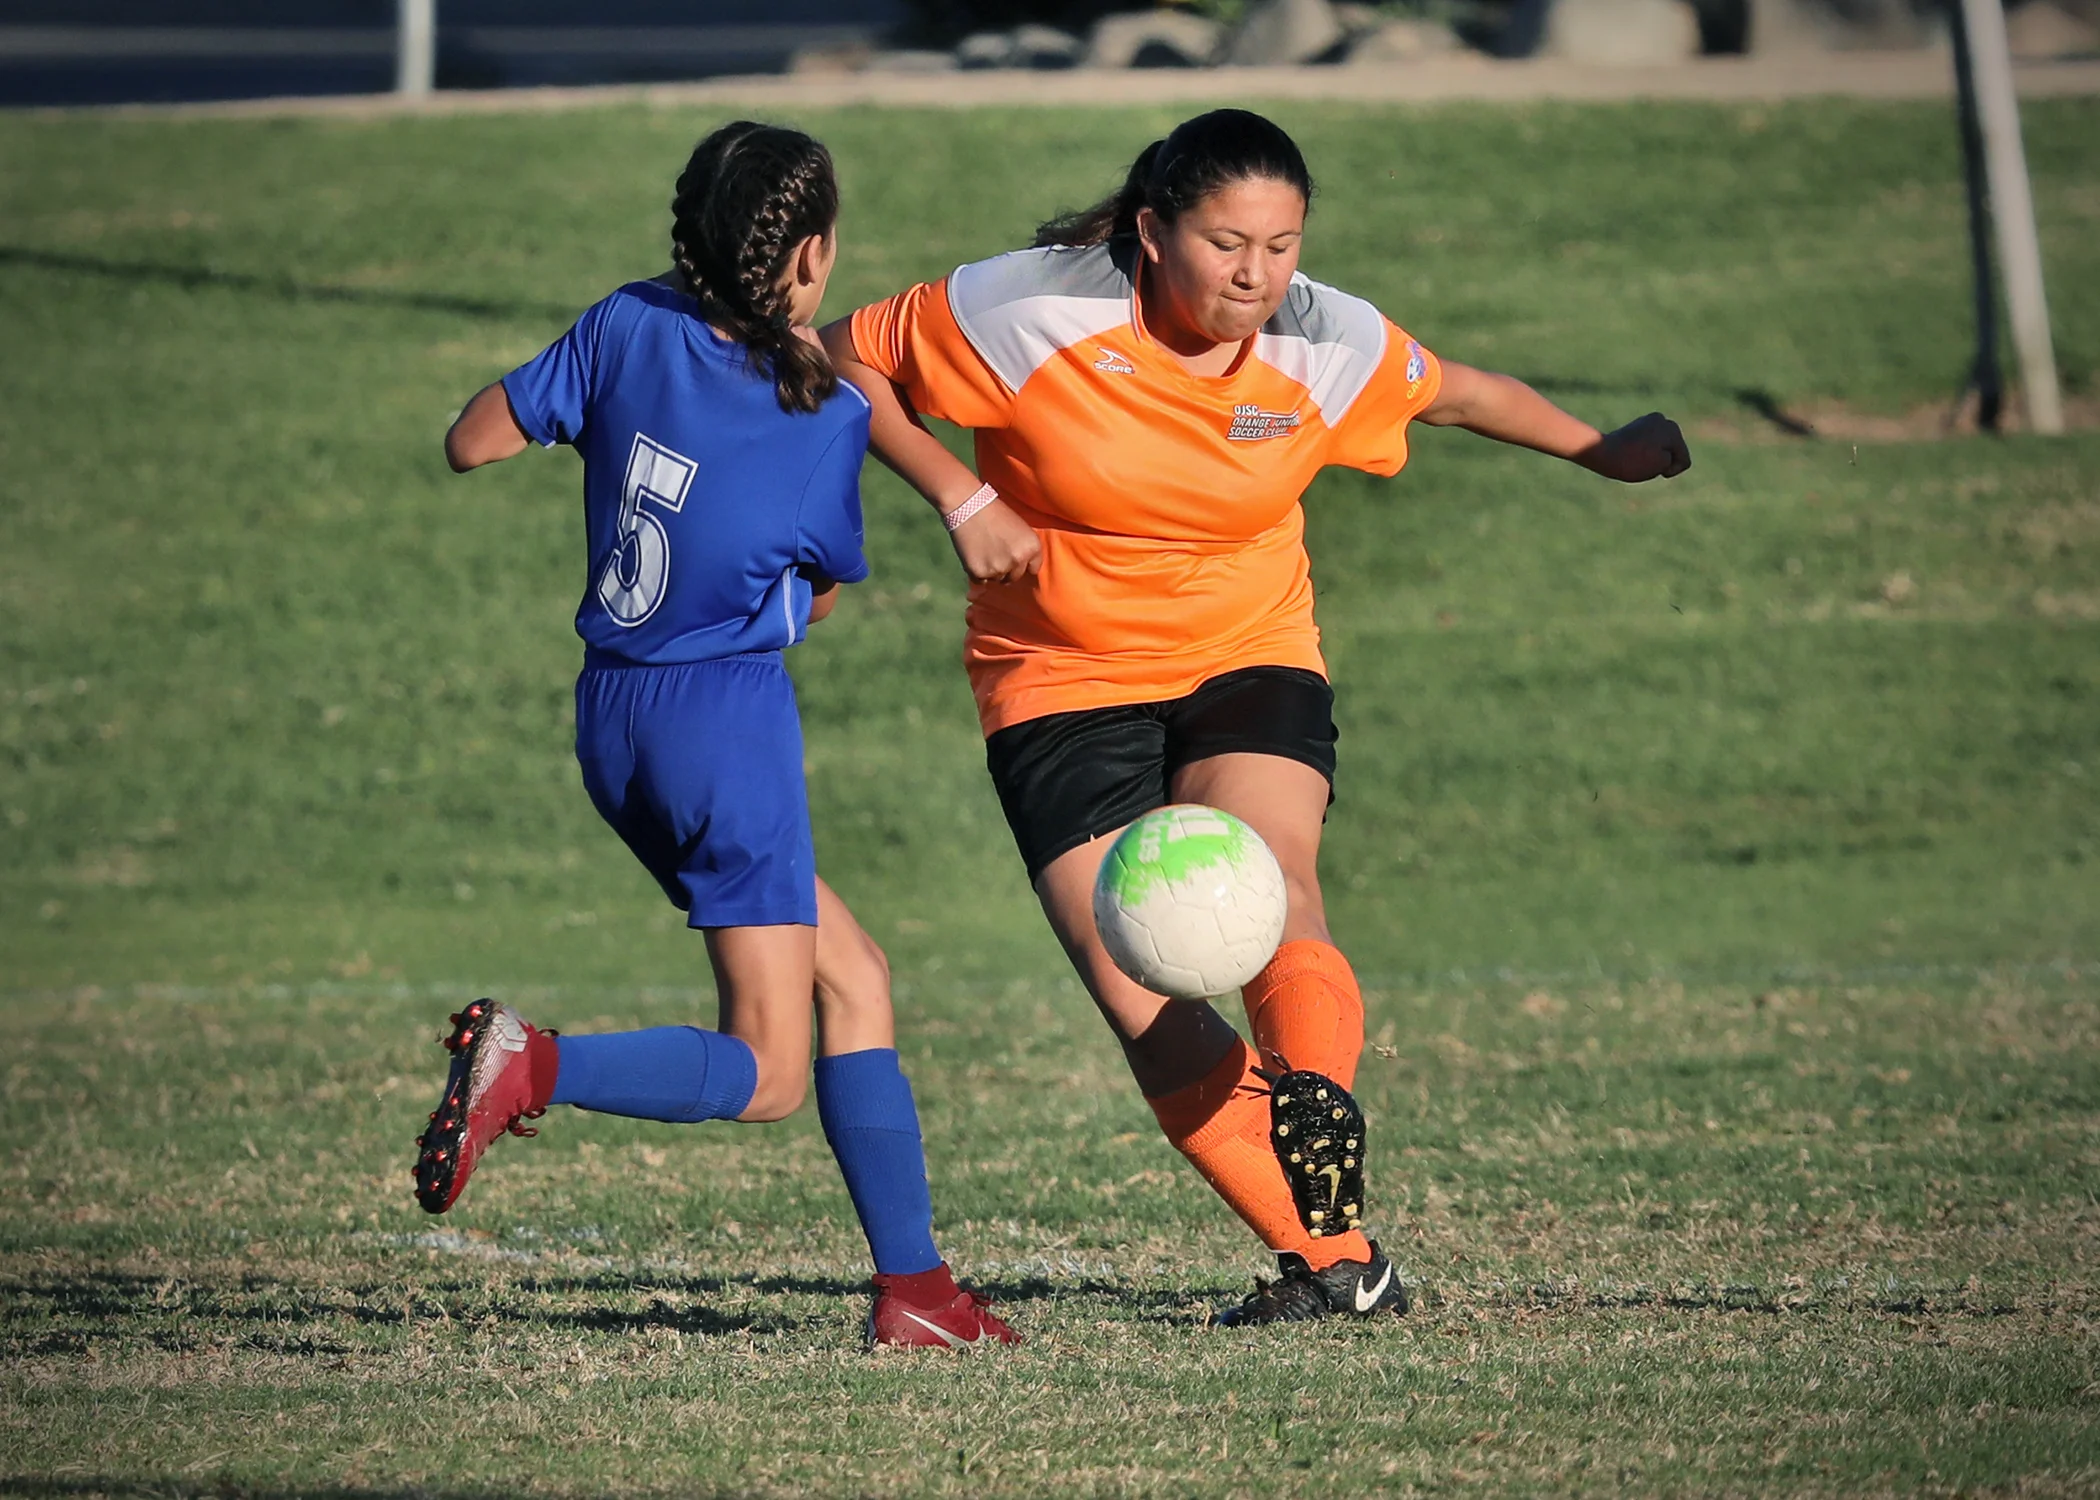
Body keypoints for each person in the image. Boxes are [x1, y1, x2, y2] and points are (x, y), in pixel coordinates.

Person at [821, 108, 1690, 1326]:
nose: (1257, 276)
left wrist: (1599, 451)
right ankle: (1337, 1261)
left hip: (1248, 651)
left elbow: (1458, 393)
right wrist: (959, 494)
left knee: (1274, 878)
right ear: (1150, 231)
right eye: (1227, 243)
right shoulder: (1029, 309)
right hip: (1058, 675)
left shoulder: (1320, 337)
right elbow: (843, 359)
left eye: (1281, 246)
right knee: (1141, 991)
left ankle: (1316, 1091)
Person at [418, 121, 1017, 1351]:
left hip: (613, 719)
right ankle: (532, 1065)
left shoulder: (623, 323)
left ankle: (919, 1292)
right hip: (724, 732)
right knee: (771, 1072)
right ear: (812, 257)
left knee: (856, 975)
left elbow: (473, 439)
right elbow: (825, 590)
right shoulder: (818, 414)